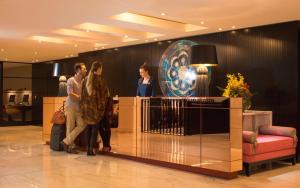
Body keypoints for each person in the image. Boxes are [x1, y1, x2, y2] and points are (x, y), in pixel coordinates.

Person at [81, 61, 110, 156]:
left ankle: (88, 150)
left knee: (88, 128)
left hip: (87, 109)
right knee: (94, 129)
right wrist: (101, 108)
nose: (102, 70)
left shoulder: (85, 80)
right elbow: (104, 96)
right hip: (95, 110)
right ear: (98, 69)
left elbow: (82, 95)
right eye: (101, 68)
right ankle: (91, 149)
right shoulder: (99, 80)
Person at [61, 62, 87, 154]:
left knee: (82, 124)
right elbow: (70, 94)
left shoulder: (84, 81)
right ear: (78, 70)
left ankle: (66, 142)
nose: (85, 70)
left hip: (79, 108)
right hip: (71, 106)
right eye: (84, 68)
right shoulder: (71, 80)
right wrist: (81, 97)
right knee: (70, 126)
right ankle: (70, 147)